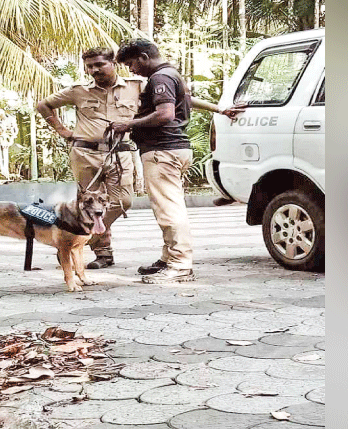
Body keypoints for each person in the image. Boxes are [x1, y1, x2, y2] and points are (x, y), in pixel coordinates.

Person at [110, 38, 242, 284]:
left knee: (169, 210)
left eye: (131, 64)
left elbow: (166, 113)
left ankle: (180, 266)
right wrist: (220, 109)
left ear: (144, 58)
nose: (131, 70)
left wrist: (128, 124)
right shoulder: (171, 75)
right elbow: (186, 101)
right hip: (173, 150)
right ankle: (168, 257)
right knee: (168, 206)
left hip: (163, 151)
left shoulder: (160, 78)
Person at [36, 47, 140, 269]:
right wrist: (63, 131)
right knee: (89, 205)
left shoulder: (136, 86)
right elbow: (43, 105)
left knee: (123, 201)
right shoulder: (78, 90)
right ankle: (103, 254)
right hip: (85, 154)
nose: (94, 70)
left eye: (99, 65)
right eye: (90, 66)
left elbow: (174, 97)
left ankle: (76, 242)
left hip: (119, 154)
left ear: (113, 63)